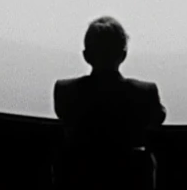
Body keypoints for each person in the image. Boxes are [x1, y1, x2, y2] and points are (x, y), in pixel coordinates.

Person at [54, 17, 166, 154]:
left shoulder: (64, 91)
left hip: (80, 173)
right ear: (123, 55)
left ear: (86, 56)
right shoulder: (145, 93)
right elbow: (158, 117)